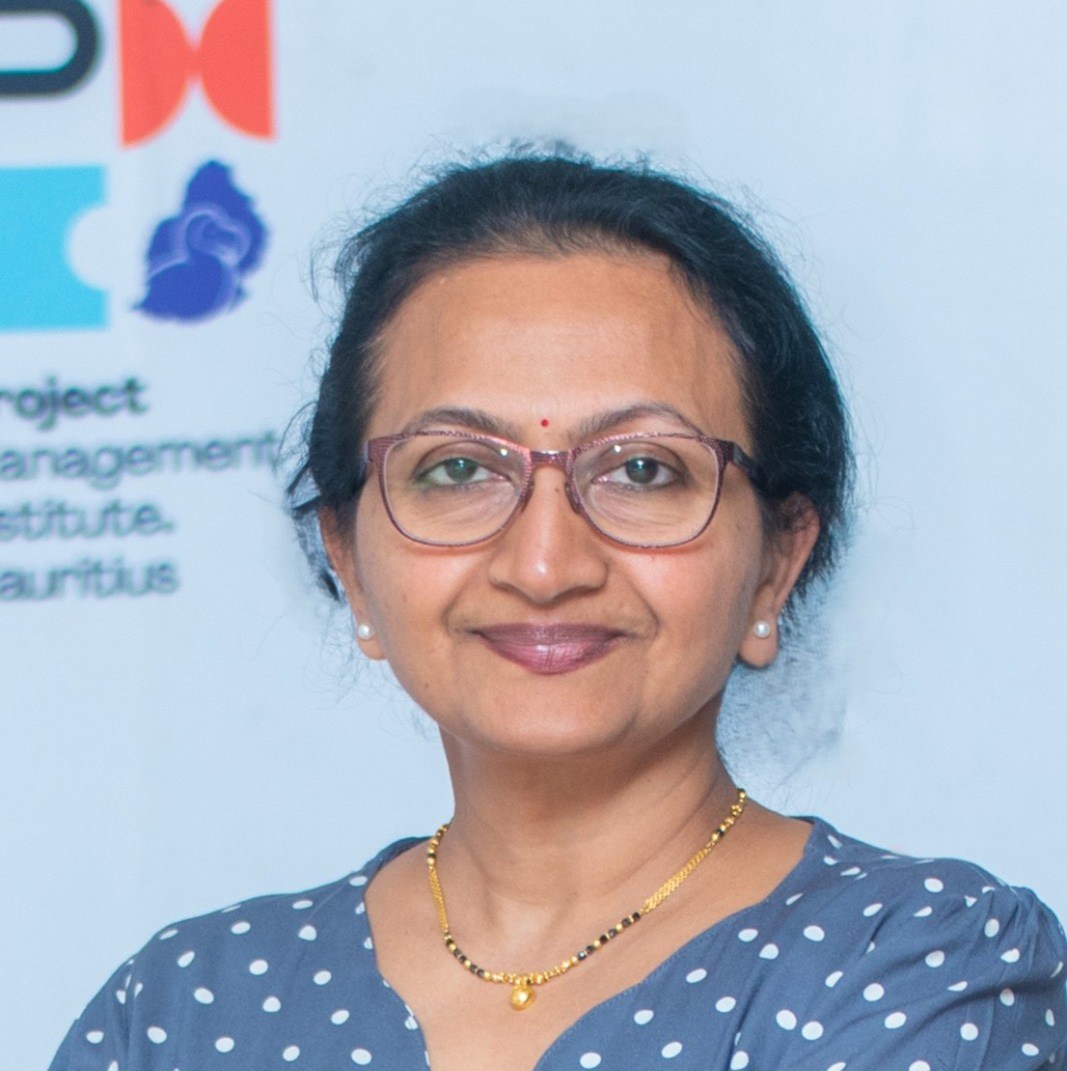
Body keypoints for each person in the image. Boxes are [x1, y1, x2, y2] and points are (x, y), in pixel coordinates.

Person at [51, 152, 1067, 1071]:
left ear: (775, 562)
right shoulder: (184, 1005)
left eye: (641, 469)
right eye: (457, 468)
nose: (543, 564)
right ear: (349, 563)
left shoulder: (918, 963)